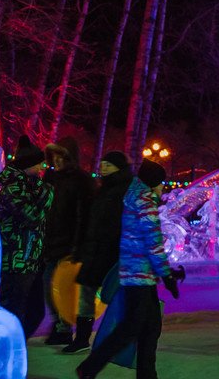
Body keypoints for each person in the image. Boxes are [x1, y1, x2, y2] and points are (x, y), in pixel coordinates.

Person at [77, 159, 182, 379]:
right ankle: (90, 367)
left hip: (138, 273)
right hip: (139, 276)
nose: (163, 187)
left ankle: (147, 374)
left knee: (150, 327)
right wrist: (167, 275)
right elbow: (153, 244)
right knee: (131, 328)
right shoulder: (145, 202)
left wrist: (165, 273)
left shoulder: (134, 197)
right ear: (153, 183)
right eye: (161, 183)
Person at [63, 151, 132, 354]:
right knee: (86, 293)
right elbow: (90, 222)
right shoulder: (101, 190)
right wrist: (82, 247)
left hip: (114, 252)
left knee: (117, 296)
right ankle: (82, 337)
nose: (103, 167)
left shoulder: (125, 191)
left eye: (108, 164)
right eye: (102, 163)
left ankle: (119, 338)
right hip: (95, 251)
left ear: (118, 168)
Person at [0, 138, 53, 338]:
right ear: (28, 165)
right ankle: (4, 351)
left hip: (30, 259)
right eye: (38, 164)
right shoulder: (13, 188)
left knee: (35, 312)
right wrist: (47, 192)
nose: (41, 168)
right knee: (13, 312)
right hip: (16, 260)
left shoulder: (29, 185)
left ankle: (13, 348)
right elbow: (32, 216)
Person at [41, 138, 93, 346]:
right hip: (51, 241)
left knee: (63, 287)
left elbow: (84, 215)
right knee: (48, 285)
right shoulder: (51, 178)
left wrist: (78, 245)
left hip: (69, 243)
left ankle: (64, 326)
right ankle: (59, 323)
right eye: (54, 157)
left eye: (61, 156)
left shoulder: (81, 180)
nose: (57, 161)